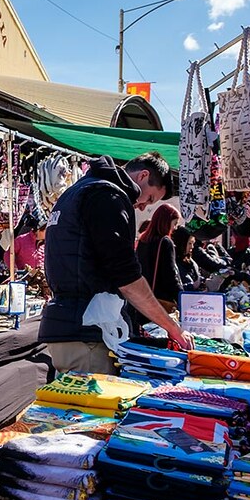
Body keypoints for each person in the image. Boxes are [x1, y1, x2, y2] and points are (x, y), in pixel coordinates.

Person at [40, 152, 192, 376]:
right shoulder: (108, 196)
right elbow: (127, 278)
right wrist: (173, 329)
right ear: (143, 175)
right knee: (90, 408)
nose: (142, 207)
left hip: (70, 326)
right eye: (149, 199)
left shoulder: (80, 190)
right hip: (88, 334)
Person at [133, 203, 183, 325]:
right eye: (174, 224)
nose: (175, 228)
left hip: (142, 298)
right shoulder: (165, 242)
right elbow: (170, 275)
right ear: (166, 222)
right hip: (160, 300)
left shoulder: (143, 240)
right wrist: (181, 298)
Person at [172, 226, 203, 291]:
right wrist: (192, 286)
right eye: (189, 243)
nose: (192, 247)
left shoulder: (190, 261)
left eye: (193, 243)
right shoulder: (173, 262)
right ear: (181, 243)